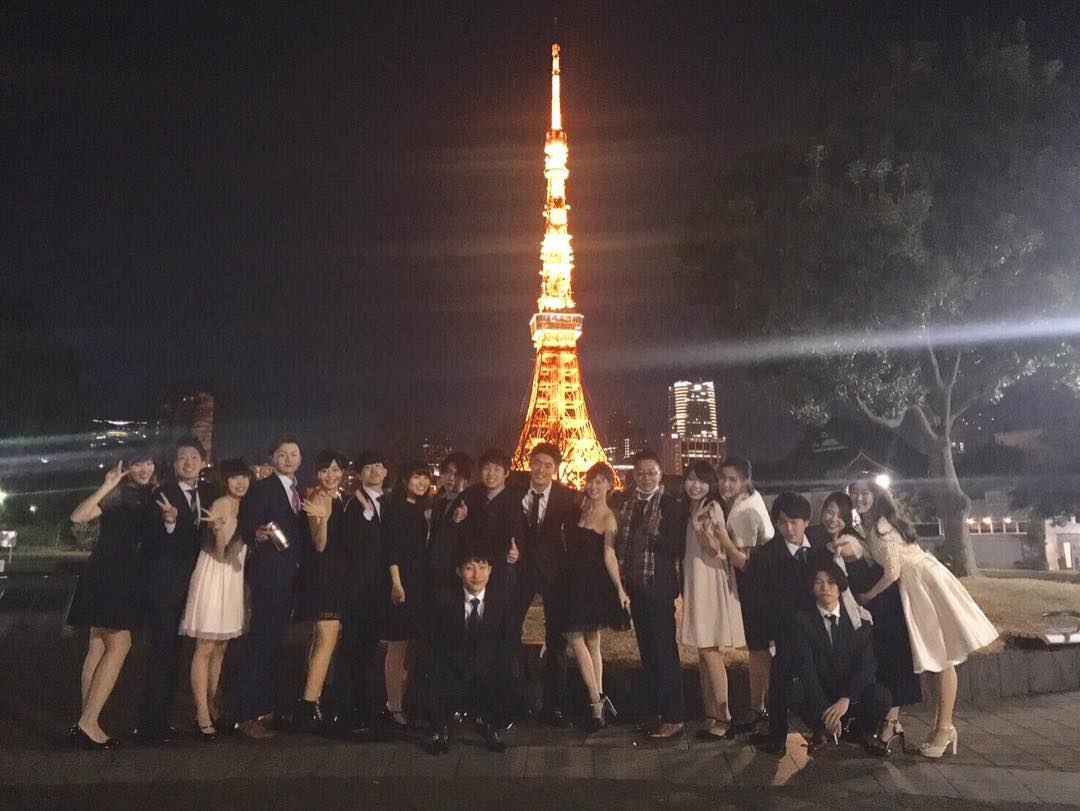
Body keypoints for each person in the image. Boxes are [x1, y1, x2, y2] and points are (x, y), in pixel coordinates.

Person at [852, 481, 998, 759]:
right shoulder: (872, 525)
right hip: (915, 587)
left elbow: (892, 572)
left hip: (922, 585)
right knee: (933, 658)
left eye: (864, 492)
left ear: (876, 495)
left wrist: (869, 595)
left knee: (941, 657)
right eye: (854, 493)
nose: (859, 497)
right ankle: (939, 727)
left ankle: (945, 728)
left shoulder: (882, 525)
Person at [821, 485, 921, 753]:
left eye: (839, 515)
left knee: (891, 665)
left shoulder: (850, 540)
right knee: (884, 666)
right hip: (876, 607)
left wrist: (868, 596)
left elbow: (890, 571)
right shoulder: (863, 530)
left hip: (883, 607)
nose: (833, 519)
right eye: (829, 512)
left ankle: (889, 725)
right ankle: (886, 723)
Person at [67, 452, 157, 748]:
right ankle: (88, 722)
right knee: (120, 645)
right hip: (111, 575)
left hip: (115, 575)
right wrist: (107, 485)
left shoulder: (149, 497)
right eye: (138, 463)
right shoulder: (118, 496)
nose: (144, 468)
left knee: (97, 646)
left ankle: (86, 721)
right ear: (126, 467)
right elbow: (78, 516)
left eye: (149, 462)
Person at [138, 436, 212, 742]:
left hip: (190, 586)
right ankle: (150, 724)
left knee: (175, 652)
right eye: (182, 457)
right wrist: (169, 522)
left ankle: (163, 718)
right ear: (174, 463)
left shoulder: (205, 494)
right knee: (163, 651)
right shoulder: (163, 493)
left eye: (194, 457)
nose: (188, 462)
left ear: (203, 462)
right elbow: (154, 539)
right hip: (164, 586)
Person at [235, 436, 308, 740]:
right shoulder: (263, 488)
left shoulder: (298, 491)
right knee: (261, 642)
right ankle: (246, 714)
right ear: (273, 458)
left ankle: (267, 709)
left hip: (289, 577)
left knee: (276, 643)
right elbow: (247, 524)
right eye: (283, 454)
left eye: (294, 454)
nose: (289, 459)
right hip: (269, 576)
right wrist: (258, 533)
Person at [751, 492, 832, 754]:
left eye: (795, 521)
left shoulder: (821, 547)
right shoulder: (766, 555)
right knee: (780, 681)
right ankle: (778, 737)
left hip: (819, 627)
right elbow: (760, 599)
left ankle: (820, 728)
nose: (789, 528)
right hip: (787, 629)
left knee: (813, 679)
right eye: (783, 522)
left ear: (806, 521)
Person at [178, 458, 252, 740]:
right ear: (225, 481)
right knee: (206, 646)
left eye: (244, 477)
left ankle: (212, 705)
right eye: (234, 477)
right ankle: (201, 713)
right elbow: (220, 553)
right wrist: (219, 532)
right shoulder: (221, 504)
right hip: (214, 575)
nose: (240, 483)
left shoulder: (245, 505)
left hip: (232, 578)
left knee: (221, 647)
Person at [788, 562, 892, 756]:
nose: (825, 588)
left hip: (847, 691)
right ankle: (821, 729)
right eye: (818, 582)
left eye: (831, 582)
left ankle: (860, 733)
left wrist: (846, 698)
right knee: (794, 691)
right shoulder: (801, 621)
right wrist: (825, 709)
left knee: (881, 696)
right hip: (820, 688)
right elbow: (805, 667)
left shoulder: (858, 620)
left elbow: (867, 667)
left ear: (840, 587)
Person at [615, 449, 685, 739]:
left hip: (659, 587)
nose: (645, 478)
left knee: (664, 651)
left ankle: (674, 717)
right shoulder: (626, 503)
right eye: (640, 473)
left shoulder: (670, 506)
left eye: (651, 473)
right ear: (634, 475)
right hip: (635, 587)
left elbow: (678, 547)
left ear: (660, 475)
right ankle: (654, 713)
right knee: (647, 652)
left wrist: (657, 534)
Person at [677, 461, 747, 741]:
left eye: (702, 481)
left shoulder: (711, 508)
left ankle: (724, 717)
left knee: (710, 651)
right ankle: (711, 713)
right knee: (702, 652)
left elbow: (715, 548)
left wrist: (700, 528)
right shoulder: (693, 508)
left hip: (709, 584)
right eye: (691, 479)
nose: (695, 485)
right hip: (697, 582)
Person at [511, 442, 578, 726]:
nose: (541, 470)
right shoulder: (513, 492)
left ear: (556, 469)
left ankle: (554, 705)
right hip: (521, 570)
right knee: (509, 629)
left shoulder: (567, 497)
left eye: (548, 465)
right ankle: (515, 698)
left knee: (556, 639)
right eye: (537, 463)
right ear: (529, 463)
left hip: (554, 572)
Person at [560, 462, 629, 732]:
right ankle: (599, 698)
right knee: (591, 641)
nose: (594, 486)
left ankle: (594, 701)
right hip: (573, 580)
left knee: (575, 636)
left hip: (590, 584)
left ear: (610, 485)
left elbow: (609, 555)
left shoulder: (608, 517)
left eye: (600, 481)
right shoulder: (581, 507)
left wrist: (619, 588)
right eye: (591, 480)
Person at [425, 548, 514, 755]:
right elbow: (432, 638)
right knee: (432, 671)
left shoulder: (501, 601)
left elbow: (507, 640)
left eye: (482, 568)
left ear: (490, 570)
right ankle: (439, 729)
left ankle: (490, 725)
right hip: (451, 663)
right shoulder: (444, 600)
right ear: (458, 571)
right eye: (469, 568)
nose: (477, 575)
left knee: (506, 670)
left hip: (486, 663)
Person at [292, 450, 350, 733]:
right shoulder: (317, 499)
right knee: (327, 639)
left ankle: (310, 698)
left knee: (321, 639)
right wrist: (323, 519)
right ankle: (308, 704)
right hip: (323, 576)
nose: (331, 475)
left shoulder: (339, 498)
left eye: (336, 470)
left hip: (334, 575)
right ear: (317, 473)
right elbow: (319, 544)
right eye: (325, 470)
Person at [331, 450, 388, 736]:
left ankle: (367, 707)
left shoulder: (389, 503)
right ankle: (347, 710)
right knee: (354, 649)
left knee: (369, 650)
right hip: (358, 589)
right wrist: (365, 515)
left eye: (378, 466)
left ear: (386, 471)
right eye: (368, 467)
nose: (374, 471)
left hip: (379, 589)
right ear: (360, 473)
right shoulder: (353, 504)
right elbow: (349, 543)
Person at [717, 456, 774, 733]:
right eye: (723, 478)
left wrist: (722, 540)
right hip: (764, 586)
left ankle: (758, 707)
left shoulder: (744, 511)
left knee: (759, 649)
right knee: (760, 648)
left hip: (758, 590)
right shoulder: (749, 499)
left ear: (744, 481)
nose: (726, 484)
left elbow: (745, 563)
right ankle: (763, 705)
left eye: (733, 480)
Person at [380, 460, 432, 729]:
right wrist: (396, 583)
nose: (422, 482)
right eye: (416, 477)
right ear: (404, 480)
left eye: (425, 477)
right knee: (398, 644)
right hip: (402, 582)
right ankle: (394, 704)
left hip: (419, 581)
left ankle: (402, 701)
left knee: (410, 643)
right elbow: (392, 549)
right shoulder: (397, 510)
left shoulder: (417, 510)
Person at [453, 448, 522, 594]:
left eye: (497, 469)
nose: (491, 474)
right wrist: (457, 519)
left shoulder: (516, 501)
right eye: (486, 468)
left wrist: (518, 552)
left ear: (506, 473)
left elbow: (523, 536)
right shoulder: (469, 496)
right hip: (472, 571)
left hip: (501, 570)